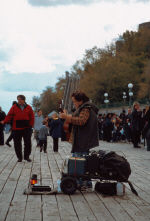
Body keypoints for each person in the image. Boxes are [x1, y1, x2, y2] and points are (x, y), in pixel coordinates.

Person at [59, 90, 99, 157]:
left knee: (79, 163)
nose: (74, 103)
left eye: (75, 101)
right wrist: (67, 116)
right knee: (77, 163)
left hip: (82, 142)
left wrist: (66, 117)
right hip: (82, 142)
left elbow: (81, 121)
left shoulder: (86, 108)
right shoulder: (85, 107)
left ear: (81, 101)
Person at [0, 95, 35, 162]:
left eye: (20, 99)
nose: (19, 100)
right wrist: (4, 121)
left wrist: (31, 125)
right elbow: (9, 115)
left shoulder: (29, 107)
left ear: (24, 100)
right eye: (18, 99)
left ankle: (26, 156)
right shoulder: (14, 107)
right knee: (17, 144)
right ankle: (19, 157)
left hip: (27, 128)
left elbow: (32, 117)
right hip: (16, 129)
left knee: (28, 143)